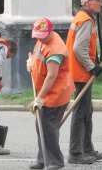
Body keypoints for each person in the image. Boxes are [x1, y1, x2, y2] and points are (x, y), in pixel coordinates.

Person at [26, 17, 75, 170]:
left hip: (56, 93)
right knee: (41, 126)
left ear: (50, 32)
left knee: (47, 128)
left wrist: (40, 98)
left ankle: (56, 161)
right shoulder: (43, 38)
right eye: (37, 36)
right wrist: (31, 64)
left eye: (42, 36)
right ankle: (43, 159)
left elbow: (51, 76)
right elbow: (38, 54)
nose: (39, 39)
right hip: (46, 92)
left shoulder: (56, 49)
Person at [66, 0, 102, 165]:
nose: (101, 3)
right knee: (81, 112)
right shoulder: (85, 20)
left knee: (86, 111)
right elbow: (79, 48)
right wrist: (92, 67)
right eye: (98, 1)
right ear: (88, 2)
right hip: (81, 73)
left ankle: (87, 148)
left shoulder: (81, 18)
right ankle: (76, 153)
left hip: (78, 71)